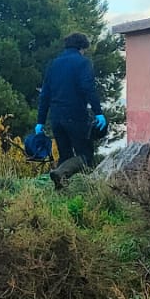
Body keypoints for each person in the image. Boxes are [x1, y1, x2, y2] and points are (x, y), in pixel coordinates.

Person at [36, 31, 105, 189]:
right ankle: (60, 174)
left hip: (56, 119)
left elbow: (45, 95)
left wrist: (40, 122)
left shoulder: (53, 64)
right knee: (85, 156)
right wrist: (99, 112)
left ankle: (61, 191)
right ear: (82, 47)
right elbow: (88, 88)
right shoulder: (83, 63)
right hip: (75, 116)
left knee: (65, 155)